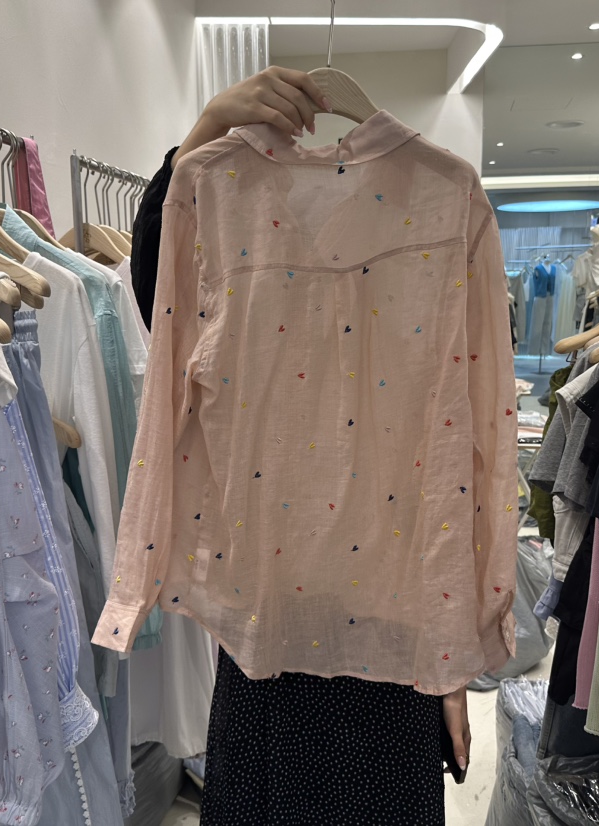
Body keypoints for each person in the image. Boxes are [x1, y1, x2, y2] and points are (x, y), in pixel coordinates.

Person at [130, 66, 482, 823]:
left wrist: (451, 660)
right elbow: (162, 305)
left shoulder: (447, 202)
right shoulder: (221, 196)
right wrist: (206, 131)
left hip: (393, 641)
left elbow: (469, 448)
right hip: (267, 631)